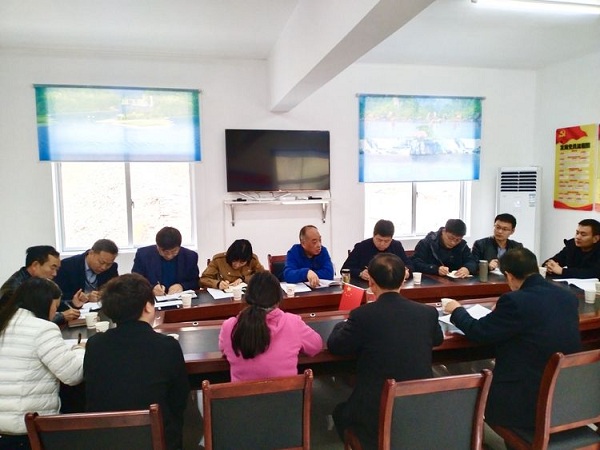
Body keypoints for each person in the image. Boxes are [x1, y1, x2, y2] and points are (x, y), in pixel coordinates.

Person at [443, 247, 581, 429]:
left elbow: (480, 332)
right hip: (566, 397)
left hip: (525, 402)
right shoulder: (568, 297)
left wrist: (457, 310)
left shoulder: (514, 301)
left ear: (508, 275)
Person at [327, 253, 443, 449]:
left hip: (375, 414)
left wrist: (342, 324)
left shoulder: (362, 315)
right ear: (403, 279)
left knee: (340, 412)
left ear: (371, 282)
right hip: (419, 407)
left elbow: (336, 346)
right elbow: (437, 339)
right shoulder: (427, 312)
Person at [84, 273, 190, 450]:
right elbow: (179, 399)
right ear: (148, 307)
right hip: (156, 438)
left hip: (106, 439)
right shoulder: (167, 345)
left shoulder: (95, 344)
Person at [0, 278, 84, 450]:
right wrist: (80, 350)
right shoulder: (42, 328)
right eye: (55, 306)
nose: (55, 312)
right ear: (45, 303)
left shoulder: (5, 321)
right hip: (27, 428)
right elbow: (73, 375)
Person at [219, 271, 323, 381]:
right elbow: (316, 346)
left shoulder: (229, 326)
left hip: (242, 393)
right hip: (287, 392)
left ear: (247, 297)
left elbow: (224, 350)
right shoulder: (293, 323)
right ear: (278, 299)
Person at [0, 245, 80, 324]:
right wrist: (61, 316)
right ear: (35, 265)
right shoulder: (14, 289)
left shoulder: (36, 283)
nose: (55, 274)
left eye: (57, 269)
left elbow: (46, 304)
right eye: (52, 268)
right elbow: (25, 321)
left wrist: (72, 303)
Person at [132, 226, 199, 296]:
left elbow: (195, 282)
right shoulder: (143, 255)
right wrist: (151, 288)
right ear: (157, 246)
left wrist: (182, 286)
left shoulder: (190, 257)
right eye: (165, 252)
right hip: (152, 299)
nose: (169, 256)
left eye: (174, 251)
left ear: (179, 247)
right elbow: (135, 282)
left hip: (181, 299)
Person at [342, 219, 413, 281]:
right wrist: (360, 273)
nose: (382, 244)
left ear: (391, 238)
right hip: (367, 285)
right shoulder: (361, 247)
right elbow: (345, 269)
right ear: (373, 235)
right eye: (379, 240)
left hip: (392, 286)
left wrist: (406, 272)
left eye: (386, 241)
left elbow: (410, 265)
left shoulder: (396, 246)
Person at [54, 238, 119, 304]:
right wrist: (86, 297)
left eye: (109, 264)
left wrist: (105, 294)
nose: (104, 267)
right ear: (91, 253)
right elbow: (59, 295)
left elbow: (116, 291)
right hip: (75, 308)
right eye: (101, 262)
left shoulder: (112, 268)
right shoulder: (67, 266)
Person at [411, 218, 477, 278]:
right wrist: (435, 269)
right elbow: (416, 263)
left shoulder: (462, 245)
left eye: (457, 240)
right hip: (431, 281)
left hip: (457, 282)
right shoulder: (427, 243)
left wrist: (467, 268)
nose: (453, 242)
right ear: (443, 231)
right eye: (450, 238)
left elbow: (472, 261)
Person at [200, 239, 265, 290]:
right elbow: (203, 279)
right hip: (224, 297)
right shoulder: (219, 260)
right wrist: (218, 284)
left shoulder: (253, 260)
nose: (237, 265)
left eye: (242, 263)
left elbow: (264, 276)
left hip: (247, 295)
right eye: (234, 261)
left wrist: (244, 279)